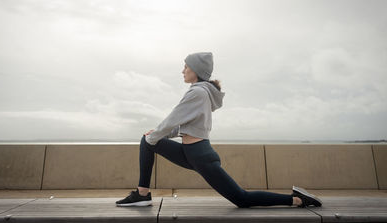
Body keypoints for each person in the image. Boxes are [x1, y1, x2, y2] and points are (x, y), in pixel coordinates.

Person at [115, 52, 322, 208]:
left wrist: (156, 135)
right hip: (191, 152)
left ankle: (296, 200)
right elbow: (181, 125)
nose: (182, 71)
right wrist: (155, 136)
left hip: (200, 155)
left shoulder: (197, 93)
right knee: (147, 141)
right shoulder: (199, 93)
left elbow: (172, 119)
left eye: (185, 67)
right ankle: (142, 195)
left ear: (195, 70)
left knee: (242, 199)